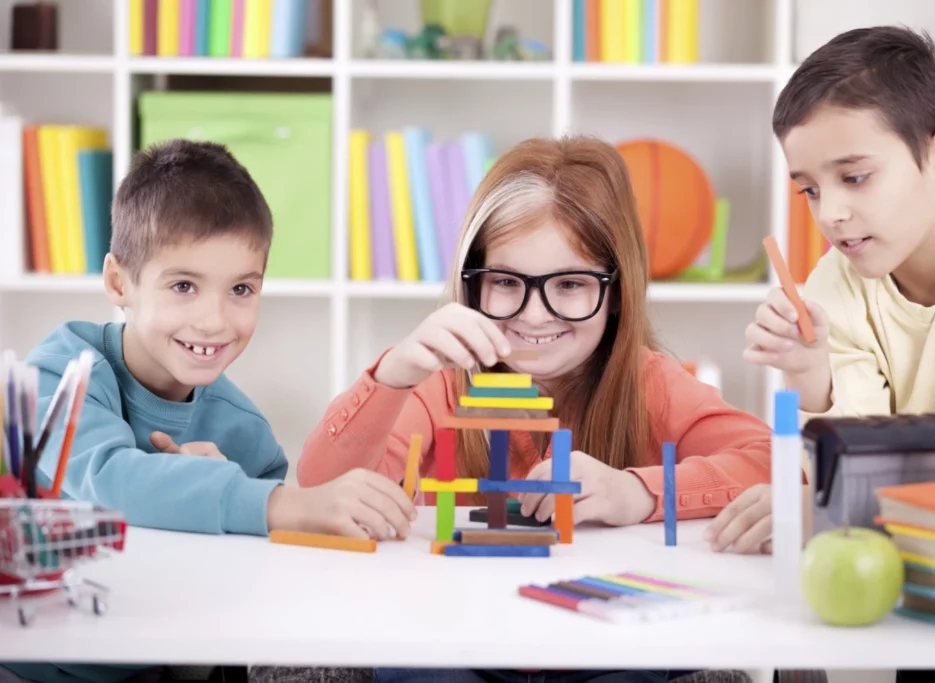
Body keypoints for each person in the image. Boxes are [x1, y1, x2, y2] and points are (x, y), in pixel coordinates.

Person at [298, 134, 773, 683]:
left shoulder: (649, 384)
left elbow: (770, 459)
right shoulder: (439, 385)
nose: (535, 314)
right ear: (471, 285)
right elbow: (322, 493)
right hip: (454, 639)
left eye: (570, 284)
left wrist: (635, 491)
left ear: (617, 291)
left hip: (604, 645)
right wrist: (393, 375)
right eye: (505, 282)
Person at [4, 139, 414, 683]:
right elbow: (108, 481)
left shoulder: (247, 435)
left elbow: (248, 587)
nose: (215, 321)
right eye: (183, 286)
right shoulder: (61, 374)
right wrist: (274, 503)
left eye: (241, 288)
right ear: (117, 282)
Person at [711, 25, 935, 683]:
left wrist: (825, 493)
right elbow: (858, 442)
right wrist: (812, 376)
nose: (831, 213)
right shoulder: (831, 283)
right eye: (811, 189)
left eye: (855, 176)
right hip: (892, 558)